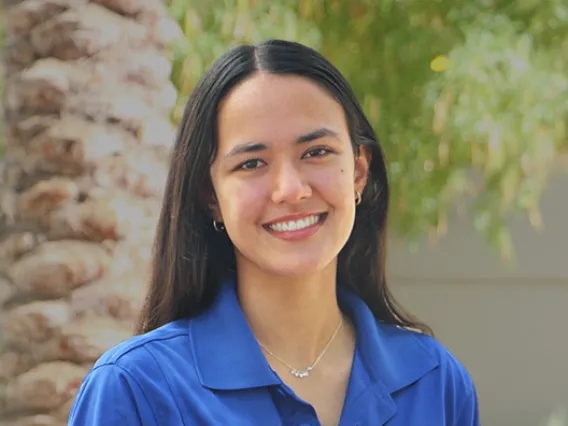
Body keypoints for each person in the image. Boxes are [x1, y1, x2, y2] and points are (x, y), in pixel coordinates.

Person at [68, 39, 479, 425]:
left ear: (358, 171)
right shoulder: (136, 389)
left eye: (316, 152)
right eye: (251, 163)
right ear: (209, 195)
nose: (291, 191)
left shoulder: (435, 382)